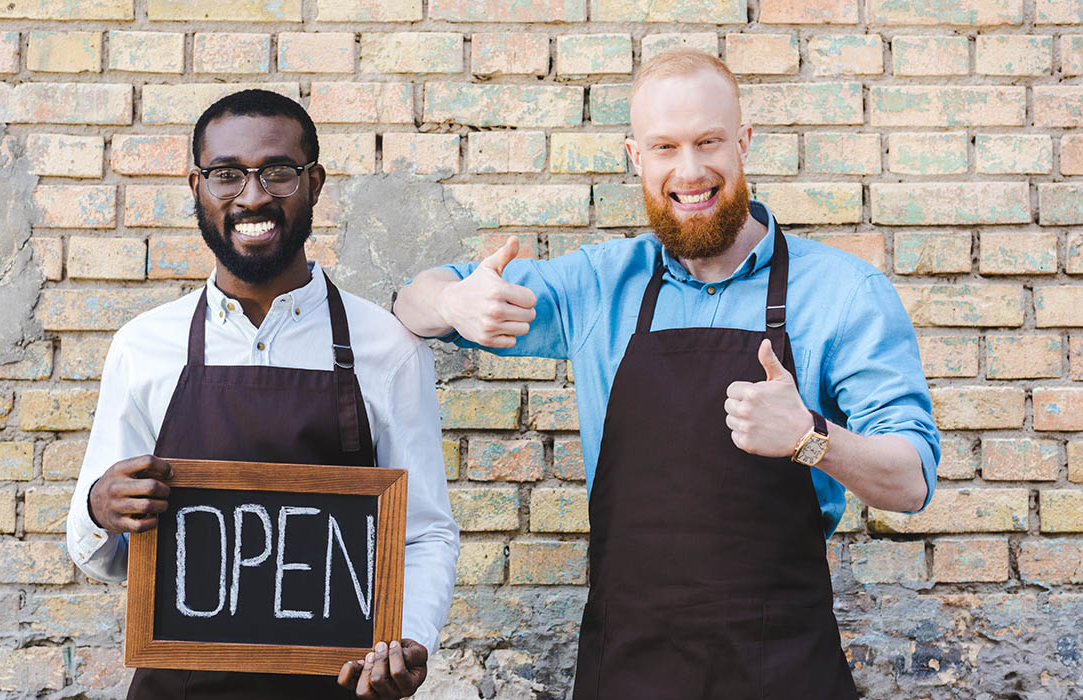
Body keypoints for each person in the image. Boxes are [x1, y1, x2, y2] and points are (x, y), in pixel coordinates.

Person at [393, 49, 939, 699]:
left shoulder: (843, 292)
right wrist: (454, 302)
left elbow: (911, 480)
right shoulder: (600, 285)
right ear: (636, 157)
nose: (690, 170)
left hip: (784, 668)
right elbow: (413, 302)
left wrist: (809, 435)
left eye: (709, 141)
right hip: (629, 666)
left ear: (743, 144)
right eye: (665, 147)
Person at [66, 89, 458, 700]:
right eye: (227, 175)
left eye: (277, 172)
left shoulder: (388, 347)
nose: (252, 197)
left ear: (315, 183)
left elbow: (425, 532)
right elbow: (103, 552)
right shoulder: (144, 346)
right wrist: (100, 509)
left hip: (340, 685)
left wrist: (410, 641)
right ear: (197, 185)